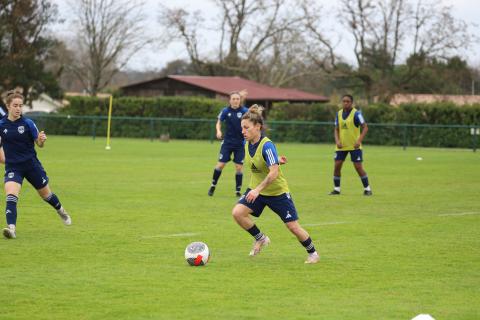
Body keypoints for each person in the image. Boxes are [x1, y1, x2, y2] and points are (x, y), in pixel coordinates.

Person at [232, 105, 320, 264]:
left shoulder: (267, 145)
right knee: (238, 213)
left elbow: (274, 173)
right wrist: (275, 160)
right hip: (257, 190)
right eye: (242, 128)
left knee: (293, 227)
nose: (243, 131)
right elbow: (264, 162)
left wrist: (257, 190)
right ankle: (261, 238)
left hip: (277, 193)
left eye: (246, 128)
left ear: (258, 127)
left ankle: (313, 253)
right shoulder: (248, 143)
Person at [0, 90, 71, 239]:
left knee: (47, 196)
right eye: (15, 105)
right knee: (11, 196)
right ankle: (11, 229)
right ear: (8, 106)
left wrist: (41, 140)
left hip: (31, 166)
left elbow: (39, 144)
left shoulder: (28, 123)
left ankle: (61, 211)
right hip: (13, 167)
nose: (18, 108)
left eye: (20, 105)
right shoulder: (1, 125)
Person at [208, 91, 249, 197]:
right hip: (227, 143)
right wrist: (218, 131)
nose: (235, 100)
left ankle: (238, 191)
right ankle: (213, 185)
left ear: (240, 100)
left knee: (239, 167)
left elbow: (250, 123)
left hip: (240, 144)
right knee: (220, 165)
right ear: (230, 100)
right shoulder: (225, 111)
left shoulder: (245, 111)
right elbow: (219, 121)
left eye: (237, 99)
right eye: (233, 99)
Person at [330, 94, 372, 196]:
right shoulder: (338, 114)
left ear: (351, 103)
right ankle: (336, 189)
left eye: (347, 101)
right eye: (344, 101)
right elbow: (336, 129)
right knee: (337, 166)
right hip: (341, 146)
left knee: (358, 167)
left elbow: (365, 127)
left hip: (354, 146)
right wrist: (337, 141)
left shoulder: (357, 114)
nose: (345, 103)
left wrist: (359, 141)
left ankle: (367, 189)